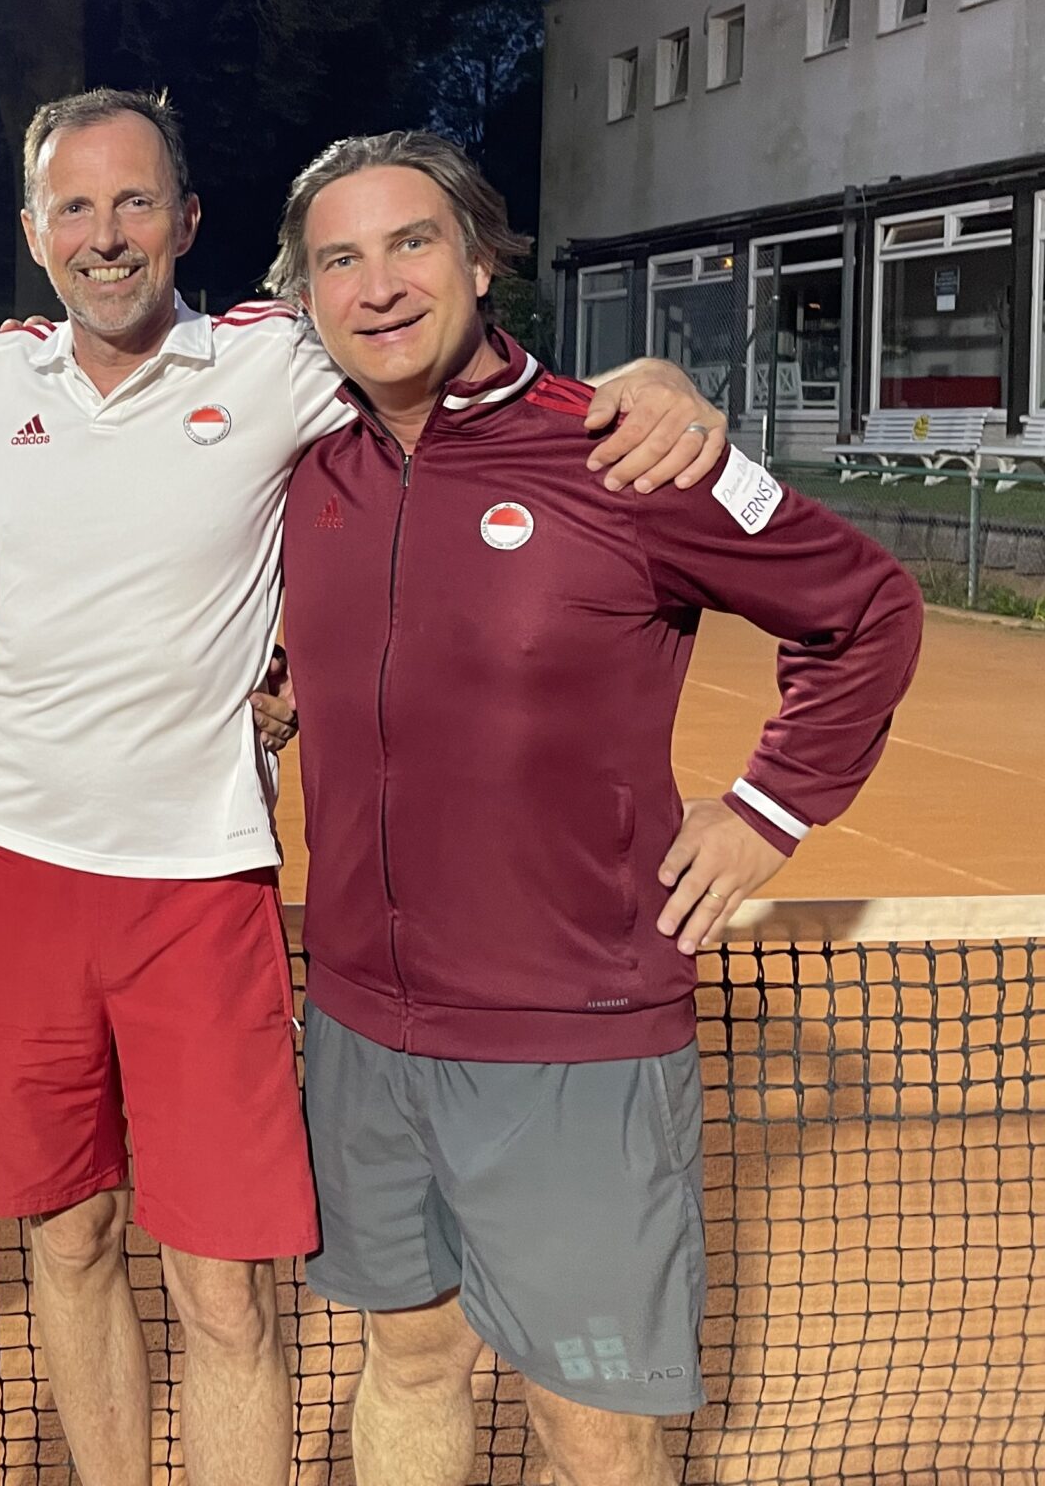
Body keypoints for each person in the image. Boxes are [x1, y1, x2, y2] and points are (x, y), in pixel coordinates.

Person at [0, 88, 726, 1486]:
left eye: (135, 205)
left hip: (202, 890)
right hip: (17, 883)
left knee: (225, 1291)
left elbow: (438, 357)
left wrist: (648, 378)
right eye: (75, 207)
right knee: (68, 1245)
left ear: (186, 222)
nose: (106, 236)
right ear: (34, 232)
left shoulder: (276, 361)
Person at [269, 132, 923, 1486]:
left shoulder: (625, 448)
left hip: (574, 1037)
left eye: (412, 243)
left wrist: (769, 807)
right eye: (340, 256)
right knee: (408, 1361)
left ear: (481, 258)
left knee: (591, 1425)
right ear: (302, 291)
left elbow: (865, 608)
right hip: (360, 1025)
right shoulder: (303, 461)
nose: (378, 284)